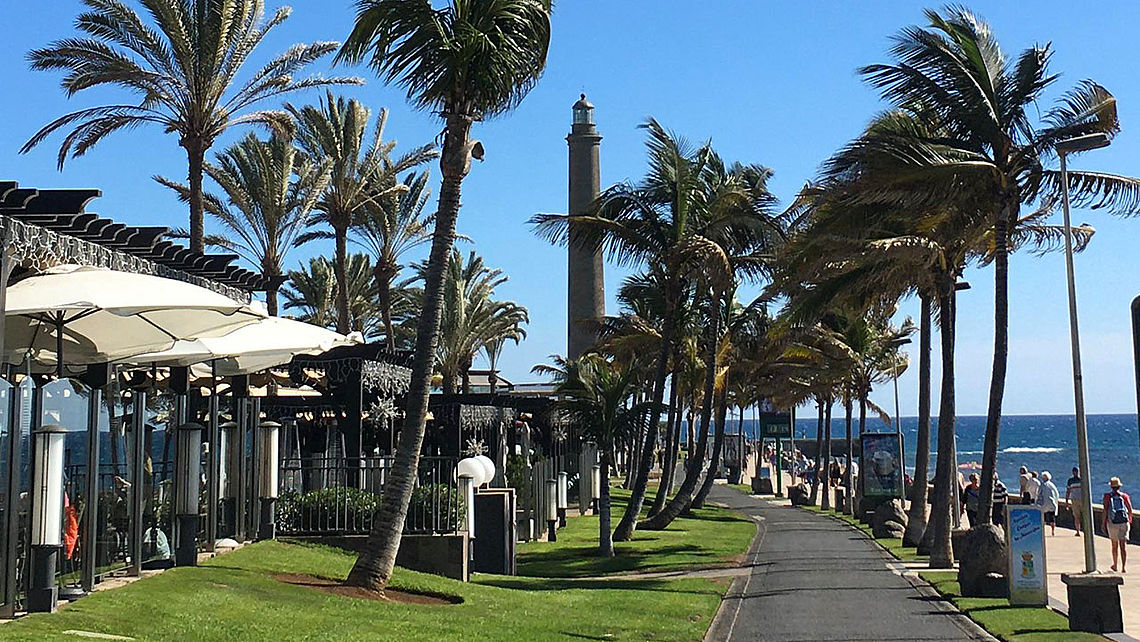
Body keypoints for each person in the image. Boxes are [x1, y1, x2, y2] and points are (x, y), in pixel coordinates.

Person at [1102, 477, 1133, 573]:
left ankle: (1115, 565)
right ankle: (1124, 567)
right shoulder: (1124, 496)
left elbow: (1105, 510)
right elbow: (1130, 509)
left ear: (1111, 487)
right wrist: (1129, 519)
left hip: (1112, 523)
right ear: (1119, 486)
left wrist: (1103, 523)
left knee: (1114, 545)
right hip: (1124, 522)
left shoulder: (1107, 497)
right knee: (1123, 546)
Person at [1035, 471, 1060, 536]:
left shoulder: (1042, 485)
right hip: (1052, 504)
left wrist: (1037, 502)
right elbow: (1057, 494)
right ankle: (1053, 531)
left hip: (1044, 504)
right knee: (1052, 519)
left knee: (1044, 519)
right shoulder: (1052, 485)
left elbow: (1039, 494)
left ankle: (1043, 532)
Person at [1065, 467, 1084, 537]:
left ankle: (1084, 530)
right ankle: (1078, 531)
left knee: (1083, 516)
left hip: (1082, 500)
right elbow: (1068, 491)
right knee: (1076, 516)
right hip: (1074, 500)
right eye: (1074, 471)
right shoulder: (1070, 481)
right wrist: (1066, 502)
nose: (1075, 473)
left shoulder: (1082, 480)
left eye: (1076, 471)